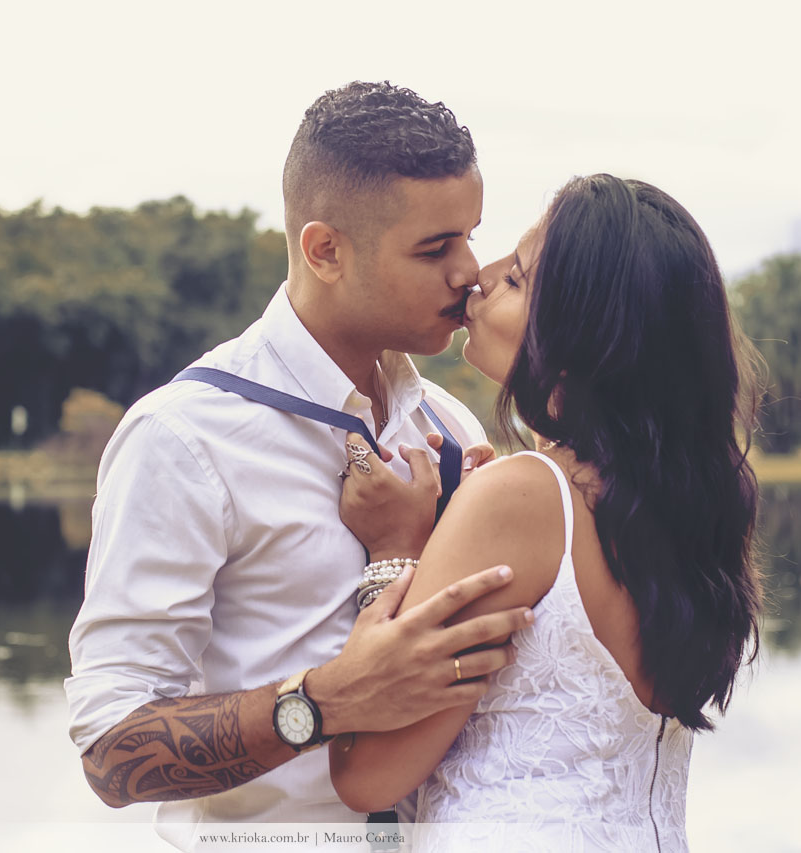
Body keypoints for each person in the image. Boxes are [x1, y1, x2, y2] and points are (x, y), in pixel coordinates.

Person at [64, 81, 534, 845]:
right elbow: (110, 751)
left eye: (470, 236)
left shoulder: (448, 424)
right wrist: (325, 702)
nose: (469, 272)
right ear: (325, 250)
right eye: (434, 248)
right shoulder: (183, 437)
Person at [330, 174, 764, 851]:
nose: (479, 274)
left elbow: (366, 774)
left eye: (517, 279)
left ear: (582, 342)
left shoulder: (520, 496)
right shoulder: (685, 509)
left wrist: (395, 551)